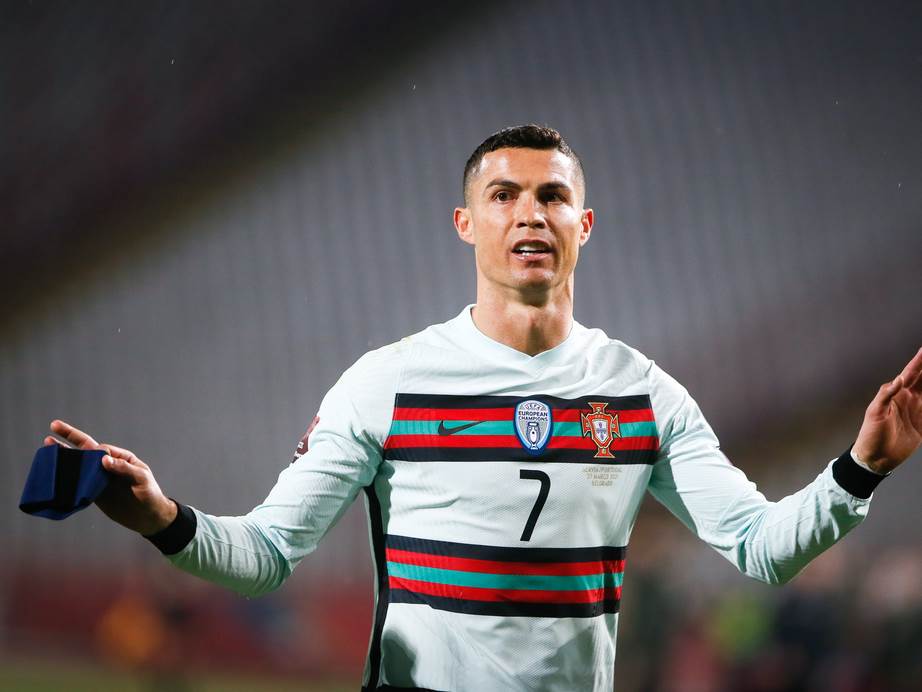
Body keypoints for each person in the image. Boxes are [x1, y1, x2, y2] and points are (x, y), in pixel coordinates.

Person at [46, 125, 922, 691]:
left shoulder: (642, 392)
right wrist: (163, 518)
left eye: (552, 196)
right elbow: (268, 554)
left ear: (584, 224)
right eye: (503, 196)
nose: (528, 214)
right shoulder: (387, 381)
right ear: (466, 223)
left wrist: (861, 470)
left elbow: (763, 547)